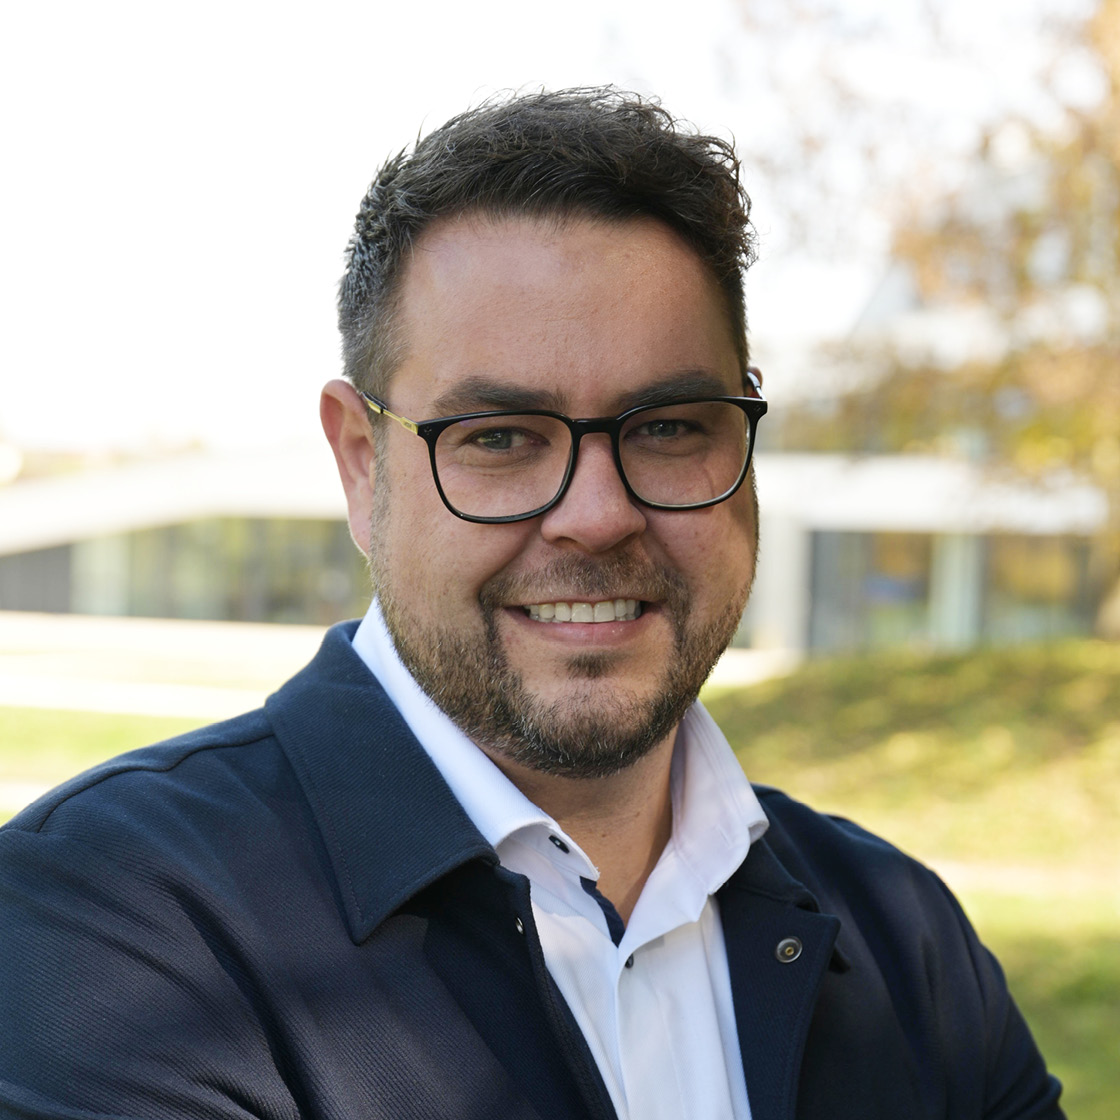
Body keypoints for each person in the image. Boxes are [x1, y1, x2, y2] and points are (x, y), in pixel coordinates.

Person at [0, 88, 1063, 1120]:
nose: (597, 517)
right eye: (501, 437)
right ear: (362, 464)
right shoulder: (107, 928)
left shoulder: (903, 938)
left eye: (669, 426)